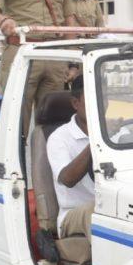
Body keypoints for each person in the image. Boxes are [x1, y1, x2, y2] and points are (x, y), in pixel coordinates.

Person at [46, 76, 94, 242]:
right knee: (97, 213)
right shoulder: (59, 138)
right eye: (92, 100)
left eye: (103, 100)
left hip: (109, 206)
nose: (100, 106)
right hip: (72, 215)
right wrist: (96, 143)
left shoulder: (115, 132)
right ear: (75, 103)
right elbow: (67, 179)